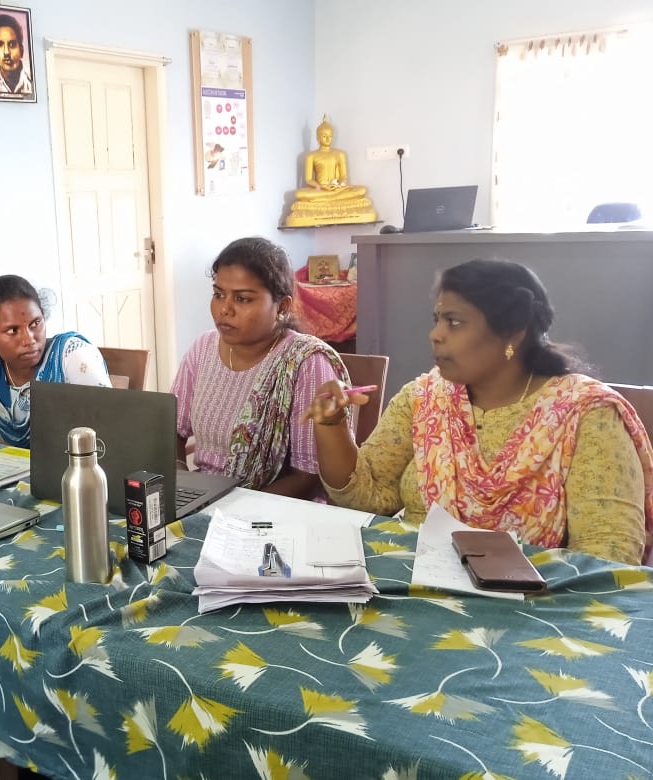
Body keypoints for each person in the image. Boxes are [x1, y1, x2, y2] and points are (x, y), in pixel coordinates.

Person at [307, 258, 653, 565]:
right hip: (414, 582)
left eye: (454, 322)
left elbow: (608, 554)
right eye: (437, 320)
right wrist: (333, 425)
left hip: (537, 605)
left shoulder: (586, 414)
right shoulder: (426, 398)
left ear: (513, 333)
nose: (435, 335)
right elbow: (366, 496)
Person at [171, 237, 351, 499]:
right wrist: (181, 481)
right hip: (204, 499)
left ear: (283, 307)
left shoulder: (305, 363)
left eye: (243, 299)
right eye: (218, 294)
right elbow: (172, 428)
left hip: (276, 507)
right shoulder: (203, 349)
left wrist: (235, 508)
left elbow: (309, 477)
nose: (224, 309)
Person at [0, 274, 111, 447]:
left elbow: (112, 428)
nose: (29, 340)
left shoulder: (72, 358)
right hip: (2, 464)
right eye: (12, 331)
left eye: (35, 323)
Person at [285, 115, 376, 227]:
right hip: (320, 190)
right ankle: (334, 204)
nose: (328, 139)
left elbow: (344, 176)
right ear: (318, 138)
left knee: (361, 190)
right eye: (324, 136)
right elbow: (308, 179)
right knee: (299, 194)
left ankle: (325, 204)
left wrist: (339, 185)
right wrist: (320, 186)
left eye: (330, 136)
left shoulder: (340, 154)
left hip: (337, 189)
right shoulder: (311, 156)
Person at [0, 13, 33, 97]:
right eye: (0, 44)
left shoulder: (32, 81)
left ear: (21, 50)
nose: (6, 52)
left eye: (12, 45)